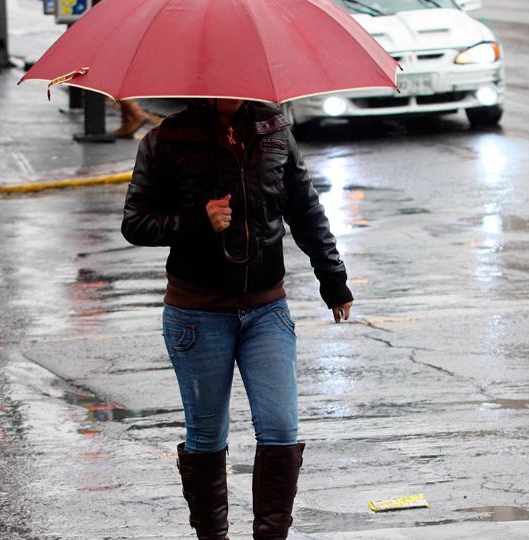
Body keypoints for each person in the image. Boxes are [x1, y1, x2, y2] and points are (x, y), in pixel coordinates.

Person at [121, 98, 353, 540]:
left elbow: (305, 210)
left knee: (281, 428)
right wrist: (196, 220)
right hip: (197, 312)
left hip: (266, 308)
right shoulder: (167, 139)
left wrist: (333, 278)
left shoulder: (273, 131)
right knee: (206, 437)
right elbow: (135, 222)